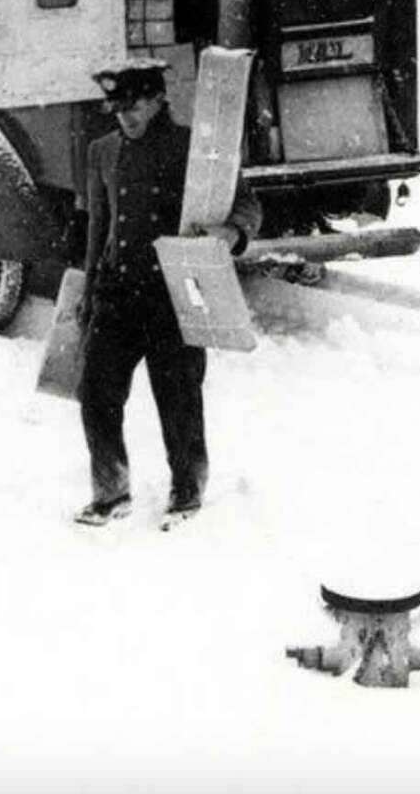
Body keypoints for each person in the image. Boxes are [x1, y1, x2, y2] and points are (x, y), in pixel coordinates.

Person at [72, 58, 262, 527]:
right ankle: (111, 491)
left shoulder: (192, 151)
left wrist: (231, 234)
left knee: (177, 396)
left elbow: (246, 203)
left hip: (173, 294)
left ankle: (187, 490)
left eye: (133, 106)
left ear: (158, 100)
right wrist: (90, 286)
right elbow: (100, 223)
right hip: (117, 292)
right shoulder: (103, 151)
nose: (125, 117)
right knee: (95, 391)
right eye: (116, 109)